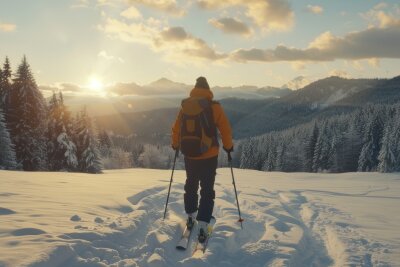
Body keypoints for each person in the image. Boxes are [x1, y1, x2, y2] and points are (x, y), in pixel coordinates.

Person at [171, 76, 233, 243]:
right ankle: (204, 222)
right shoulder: (214, 107)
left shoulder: (185, 106)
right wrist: (228, 147)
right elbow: (225, 129)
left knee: (191, 183)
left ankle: (190, 215)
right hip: (209, 154)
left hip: (189, 154)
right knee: (207, 188)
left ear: (194, 89)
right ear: (208, 90)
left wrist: (175, 144)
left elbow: (176, 128)